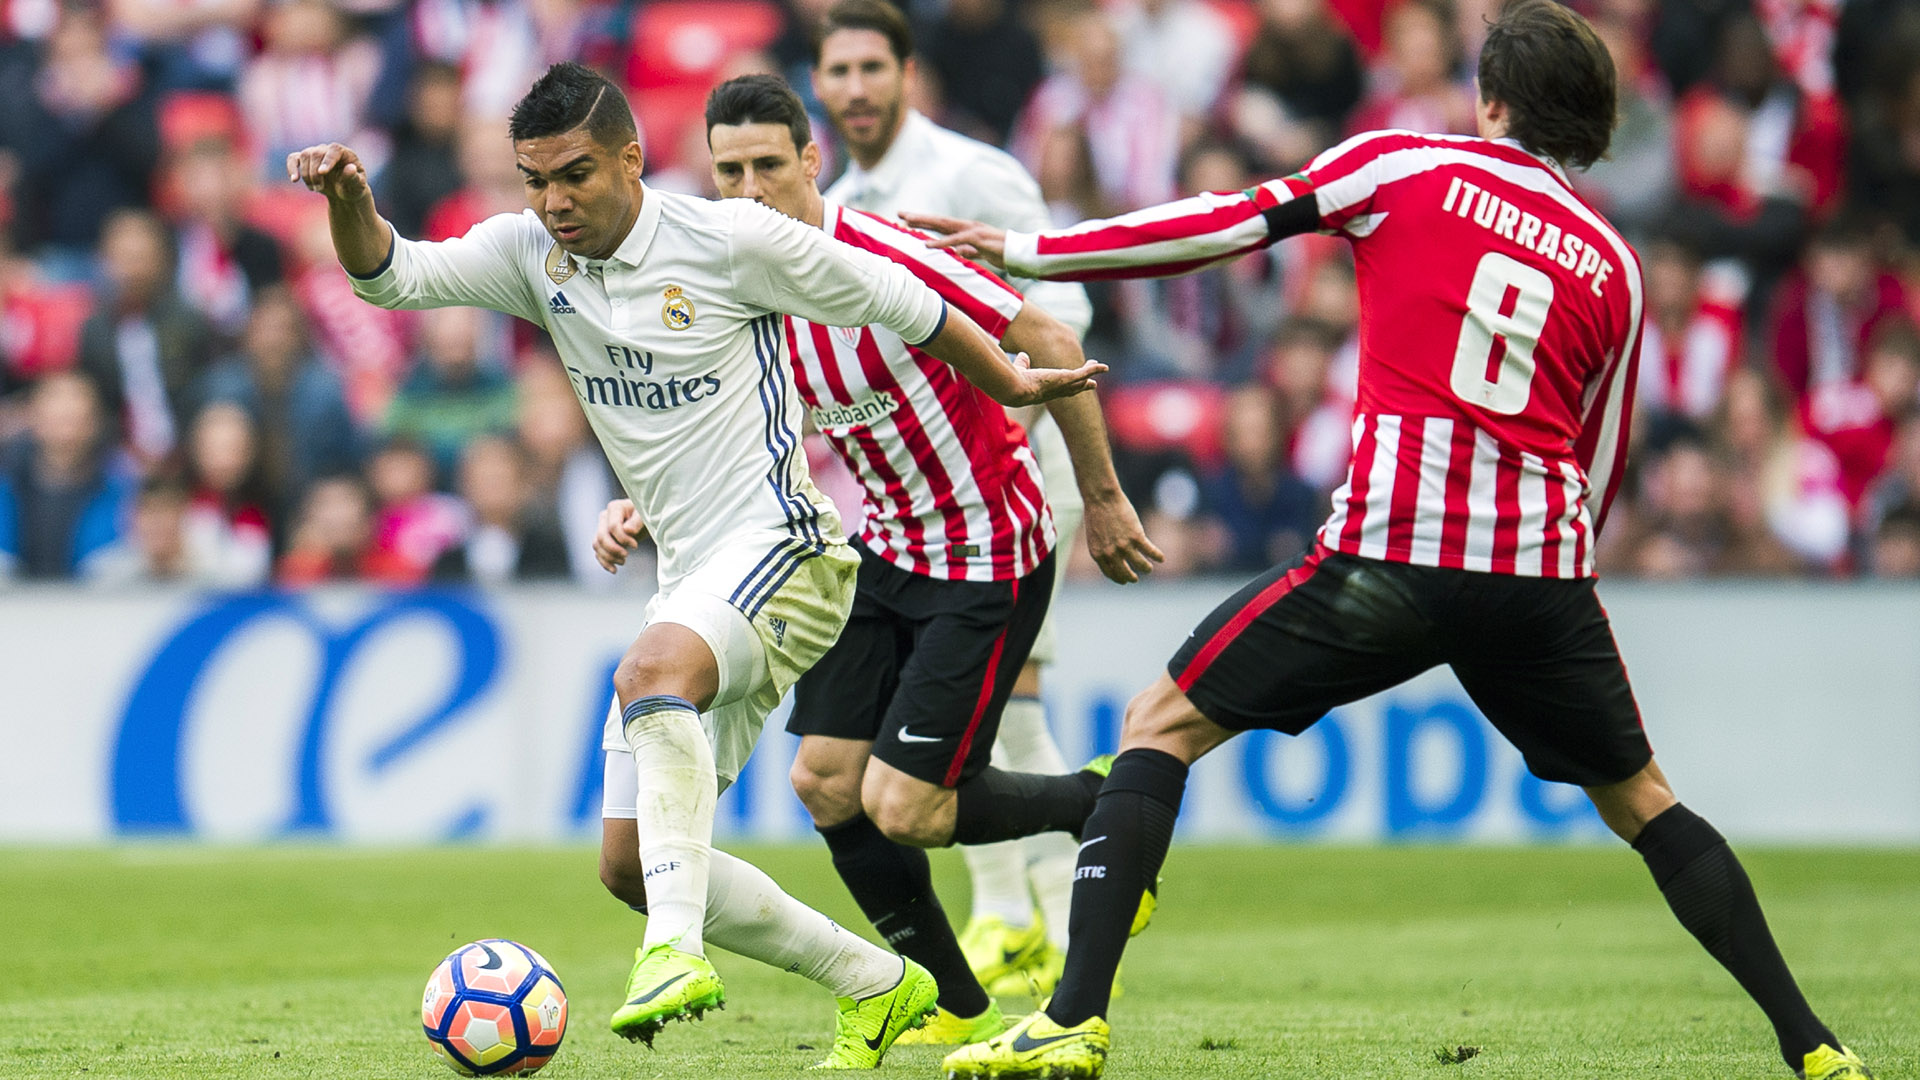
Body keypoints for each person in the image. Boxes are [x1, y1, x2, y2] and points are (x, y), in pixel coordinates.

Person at [905, 3, 1875, 1078]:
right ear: (1590, 120)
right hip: (1538, 573)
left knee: (1158, 722)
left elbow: (1226, 224)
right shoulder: (1614, 261)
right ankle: (1816, 1046)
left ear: (1491, 99)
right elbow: (1601, 463)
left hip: (1394, 552)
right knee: (1645, 802)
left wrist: (1032, 250)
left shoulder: (1402, 165)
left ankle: (1072, 1019)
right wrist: (1547, 588)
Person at [288, 61, 1102, 1067]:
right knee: (633, 863)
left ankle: (672, 951)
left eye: (575, 176)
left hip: (787, 554)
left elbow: (911, 306)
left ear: (632, 158)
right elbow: (392, 276)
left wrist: (1015, 380)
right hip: (690, 583)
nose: (554, 203)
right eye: (535, 180)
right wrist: (353, 203)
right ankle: (881, 984)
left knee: (649, 679)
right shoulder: (530, 255)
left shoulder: (731, 240)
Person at [675, 71, 1160, 1045]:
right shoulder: (740, 278)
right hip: (882, 547)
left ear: (812, 163)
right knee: (823, 782)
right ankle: (950, 1004)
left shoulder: (881, 256)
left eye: (769, 165)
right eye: (729, 170)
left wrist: (1103, 499)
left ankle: (1099, 800)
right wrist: (629, 504)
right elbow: (712, 418)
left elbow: (1049, 334)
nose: (750, 189)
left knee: (904, 808)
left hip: (986, 550)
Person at [811, 0, 1135, 1020]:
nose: (856, 88)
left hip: (1019, 455)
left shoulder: (970, 174)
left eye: (872, 66)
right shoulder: (840, 197)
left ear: (910, 74)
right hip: (914, 501)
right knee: (979, 723)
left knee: (994, 709)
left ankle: (1035, 894)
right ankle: (1021, 903)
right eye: (839, 71)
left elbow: (1057, 314)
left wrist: (1075, 479)